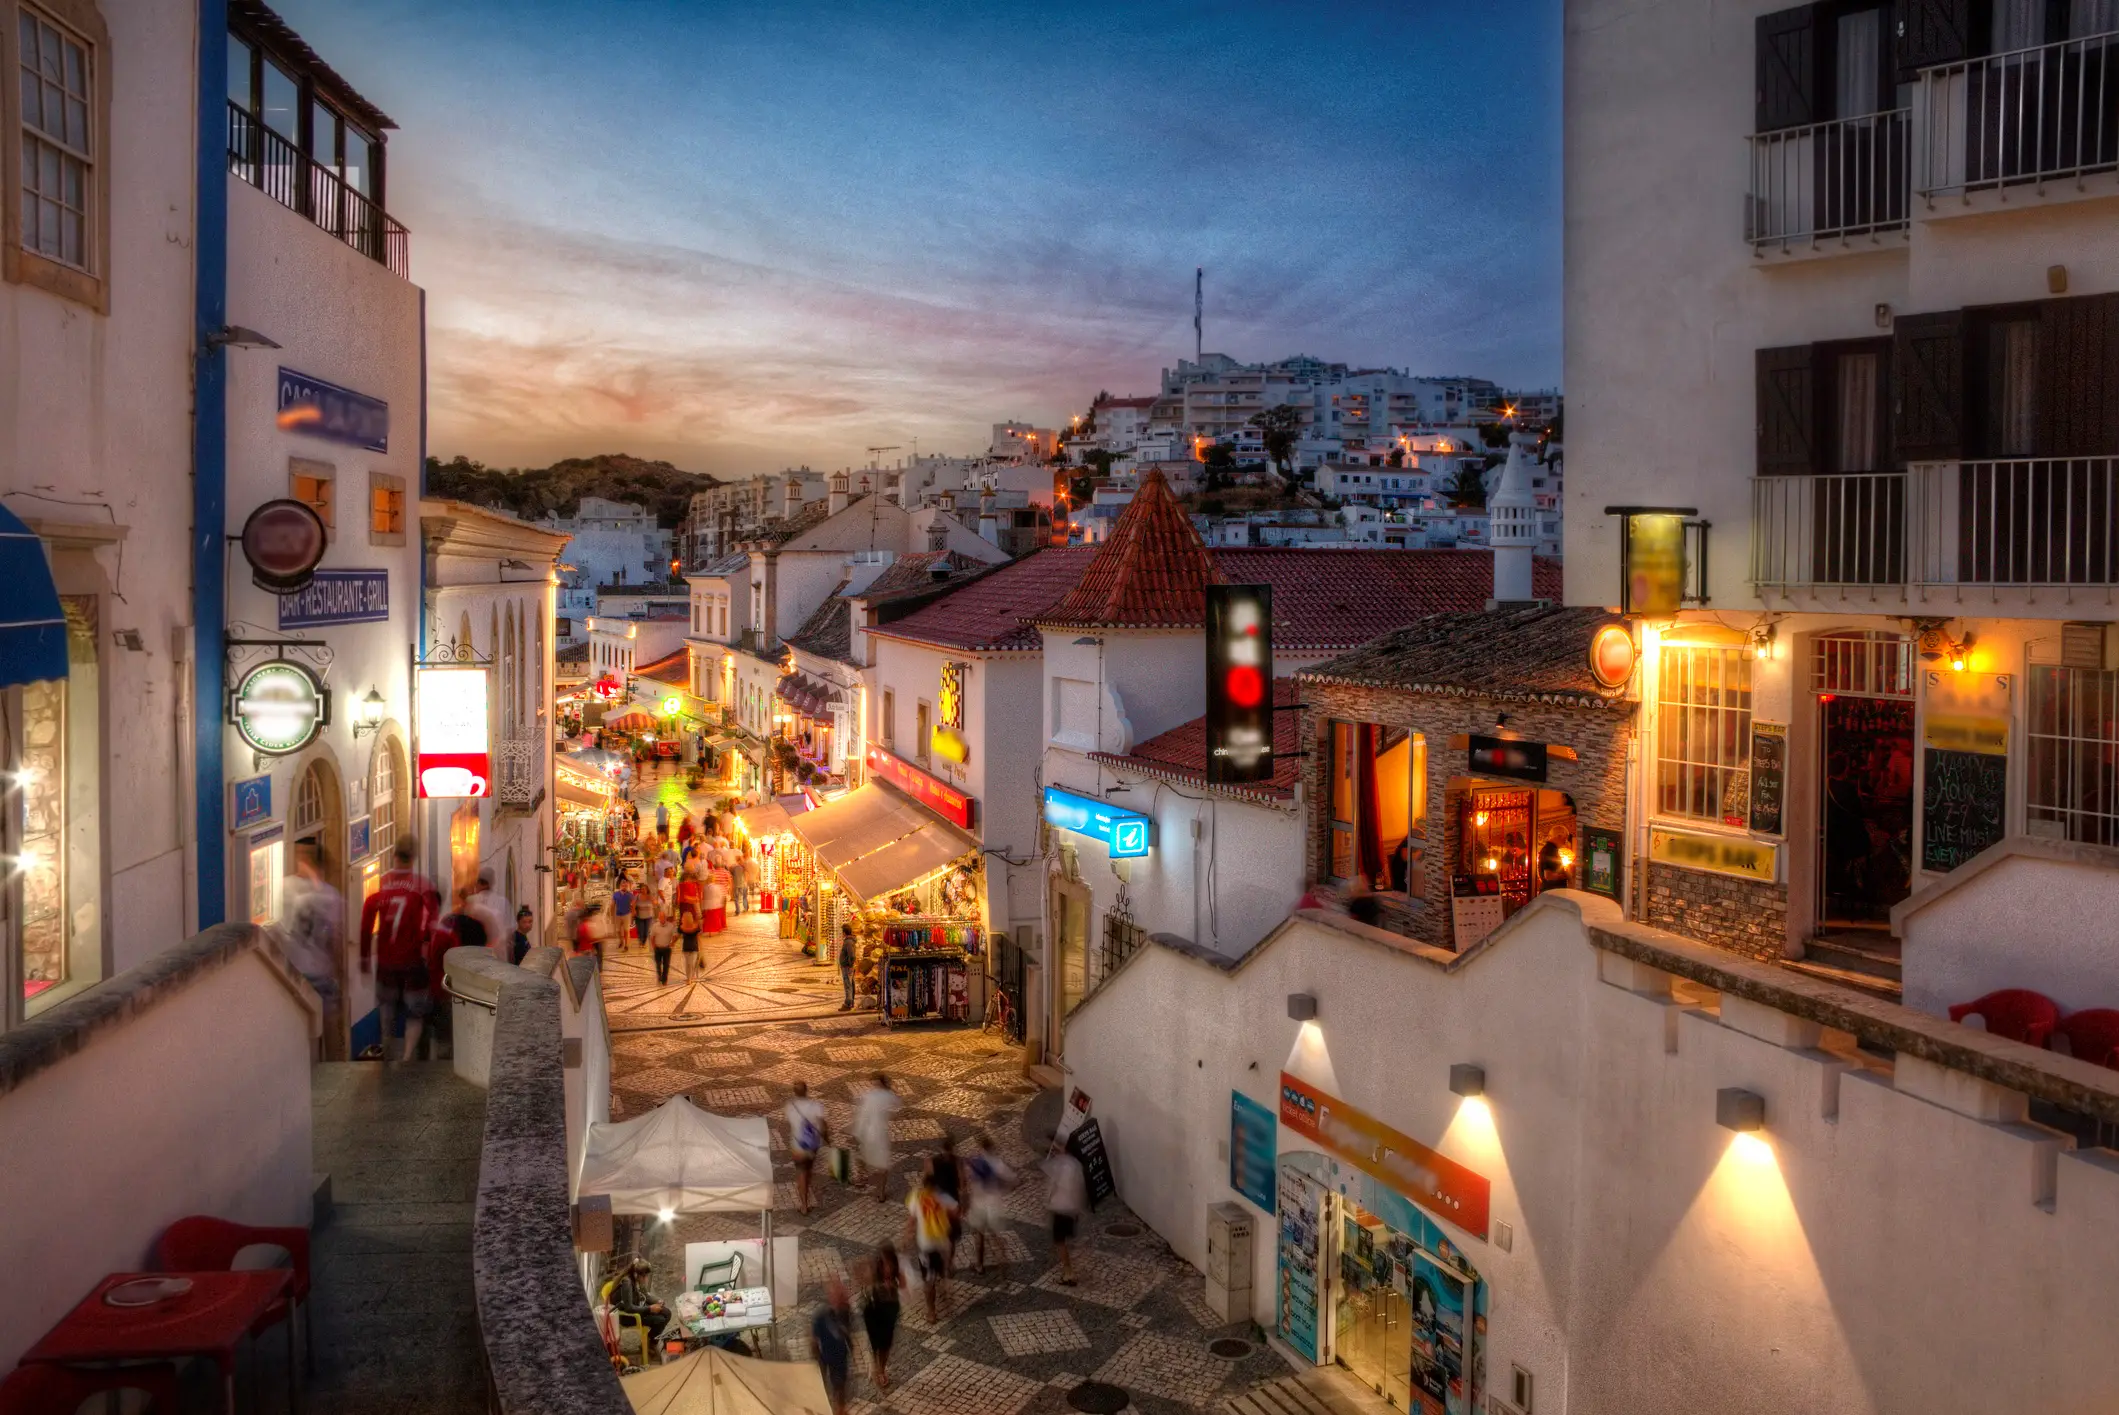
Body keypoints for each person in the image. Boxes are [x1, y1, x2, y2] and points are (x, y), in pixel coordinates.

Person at [358, 835, 436, 1063]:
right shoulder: (421, 886)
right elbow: (430, 923)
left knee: (386, 1009)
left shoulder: (381, 884)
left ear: (394, 856)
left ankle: (388, 1050)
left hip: (385, 961)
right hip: (411, 961)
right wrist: (427, 949)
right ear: (413, 858)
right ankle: (409, 1054)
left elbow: (366, 921)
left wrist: (364, 958)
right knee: (415, 1013)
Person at [277, 842, 343, 1048]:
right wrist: (340, 972)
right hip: (320, 971)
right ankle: (333, 1070)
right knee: (329, 1026)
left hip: (292, 971)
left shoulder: (284, 887)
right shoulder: (331, 895)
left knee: (296, 1030)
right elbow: (335, 940)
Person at [904, 1162, 958, 1324]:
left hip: (926, 1244)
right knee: (943, 1270)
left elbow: (911, 1221)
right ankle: (945, 1288)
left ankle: (931, 1312)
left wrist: (906, 1238)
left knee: (928, 1280)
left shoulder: (917, 1197)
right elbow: (955, 1212)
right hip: (942, 1242)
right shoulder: (943, 1197)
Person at [964, 1132, 1017, 1274]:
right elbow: (1013, 1180)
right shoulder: (997, 1163)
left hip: (979, 1205)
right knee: (996, 1235)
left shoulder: (976, 1162)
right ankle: (1003, 1261)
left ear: (982, 1147)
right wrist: (1003, 1190)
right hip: (994, 1204)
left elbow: (968, 1181)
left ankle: (979, 1265)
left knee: (979, 1235)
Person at [1041, 1140, 1087, 1285]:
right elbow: (1080, 1189)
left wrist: (1046, 1203)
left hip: (1060, 1208)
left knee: (1059, 1241)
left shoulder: (1060, 1164)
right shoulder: (1077, 1165)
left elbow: (1052, 1185)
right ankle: (1068, 1269)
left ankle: (1068, 1273)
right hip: (1071, 1209)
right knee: (1064, 1240)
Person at [861, 1244, 904, 1392]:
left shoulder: (896, 1269)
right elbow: (866, 1282)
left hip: (890, 1309)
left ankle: (882, 1368)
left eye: (889, 1261)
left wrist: (893, 1285)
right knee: (876, 1343)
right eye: (884, 1260)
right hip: (874, 1310)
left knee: (886, 1344)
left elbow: (903, 1284)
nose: (888, 1265)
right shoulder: (876, 1269)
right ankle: (876, 1367)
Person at [854, 1073, 901, 1201]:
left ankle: (860, 1177)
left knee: (862, 1155)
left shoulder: (868, 1096)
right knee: (882, 1165)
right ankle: (880, 1193)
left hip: (868, 1132)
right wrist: (891, 1088)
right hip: (880, 1134)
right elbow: (898, 1102)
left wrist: (859, 1132)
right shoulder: (888, 1095)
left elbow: (863, 1115)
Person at [810, 1277, 853, 1415]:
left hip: (840, 1356)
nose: (840, 1297)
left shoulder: (845, 1312)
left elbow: (848, 1332)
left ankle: (839, 1409)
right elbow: (814, 1339)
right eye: (837, 1294)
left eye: (841, 1294)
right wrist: (816, 1360)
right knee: (823, 1385)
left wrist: (850, 1348)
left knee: (839, 1386)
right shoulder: (821, 1315)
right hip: (825, 1356)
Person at [785, 1080, 828, 1215]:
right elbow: (823, 1125)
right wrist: (828, 1139)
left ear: (794, 1092)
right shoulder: (816, 1106)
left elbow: (791, 1124)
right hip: (812, 1144)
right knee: (808, 1170)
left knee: (801, 1172)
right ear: (806, 1090)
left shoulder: (790, 1106)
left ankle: (804, 1204)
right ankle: (806, 1197)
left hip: (798, 1144)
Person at [610, 1256, 671, 1352]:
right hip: (628, 1316)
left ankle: (651, 1340)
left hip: (639, 1306)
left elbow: (645, 1295)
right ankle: (649, 1342)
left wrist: (657, 1301)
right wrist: (649, 1309)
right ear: (636, 1274)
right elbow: (629, 1308)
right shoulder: (627, 1283)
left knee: (667, 1313)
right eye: (645, 1276)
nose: (646, 1278)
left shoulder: (637, 1280)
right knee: (659, 1320)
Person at [929, 1135, 965, 1273]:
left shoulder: (934, 1161)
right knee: (951, 1237)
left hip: (939, 1203)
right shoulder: (957, 1162)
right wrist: (962, 1203)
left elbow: (928, 1183)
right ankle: (949, 1265)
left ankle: (941, 1263)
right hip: (952, 1203)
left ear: (941, 1148)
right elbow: (962, 1185)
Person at [465, 867, 512, 963]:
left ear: (478, 883)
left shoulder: (471, 902)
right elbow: (509, 930)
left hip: (476, 954)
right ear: (493, 882)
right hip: (498, 953)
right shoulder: (502, 902)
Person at [647, 902, 678, 986]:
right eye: (660, 917)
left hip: (667, 948)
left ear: (665, 918)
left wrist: (673, 943)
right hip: (658, 948)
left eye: (663, 917)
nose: (661, 919)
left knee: (666, 965)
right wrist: (653, 945)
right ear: (659, 918)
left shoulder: (671, 926)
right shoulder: (655, 926)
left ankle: (664, 979)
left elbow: (675, 935)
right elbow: (652, 936)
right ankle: (659, 976)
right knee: (658, 964)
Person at [676, 897, 703, 981]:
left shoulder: (695, 927)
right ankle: (689, 978)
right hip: (688, 948)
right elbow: (677, 935)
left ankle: (690, 977)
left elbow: (698, 937)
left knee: (690, 963)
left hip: (693, 948)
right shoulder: (682, 928)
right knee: (689, 964)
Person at [701, 864, 729, 937]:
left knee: (708, 919)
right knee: (716, 919)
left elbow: (703, 897)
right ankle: (716, 930)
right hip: (716, 905)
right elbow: (720, 896)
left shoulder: (705, 887)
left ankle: (708, 930)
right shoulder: (717, 887)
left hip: (707, 906)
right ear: (713, 879)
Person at [610, 877, 635, 953]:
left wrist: (633, 912)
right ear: (620, 886)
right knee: (618, 930)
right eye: (623, 885)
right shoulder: (616, 894)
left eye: (626, 885)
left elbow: (633, 904)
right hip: (618, 914)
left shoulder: (630, 895)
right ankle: (621, 941)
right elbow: (612, 904)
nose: (624, 887)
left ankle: (626, 945)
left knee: (626, 930)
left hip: (626, 914)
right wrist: (611, 914)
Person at [837, 923, 858, 1012]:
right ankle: (851, 1002)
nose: (842, 934)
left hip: (847, 967)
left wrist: (849, 964)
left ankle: (848, 1004)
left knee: (848, 985)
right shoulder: (849, 941)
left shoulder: (848, 942)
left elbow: (852, 956)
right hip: (847, 966)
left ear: (844, 932)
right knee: (850, 984)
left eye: (842, 932)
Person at [727, 847, 751, 916]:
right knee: (744, 897)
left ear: (736, 860)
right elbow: (747, 873)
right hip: (742, 884)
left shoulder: (734, 867)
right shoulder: (743, 867)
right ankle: (746, 908)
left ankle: (738, 911)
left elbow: (730, 872)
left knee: (736, 898)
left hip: (736, 884)